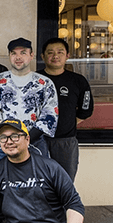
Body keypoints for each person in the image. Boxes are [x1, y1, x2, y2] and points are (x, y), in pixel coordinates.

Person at [0, 37, 58, 170]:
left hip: (34, 140)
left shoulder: (44, 83)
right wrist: (9, 137)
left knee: (37, 184)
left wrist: (25, 138)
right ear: (9, 56)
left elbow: (50, 116)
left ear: (31, 55)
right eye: (14, 53)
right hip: (2, 141)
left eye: (23, 53)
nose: (18, 57)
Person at [38, 38, 94, 182]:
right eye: (50, 52)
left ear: (67, 55)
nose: (55, 56)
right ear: (42, 56)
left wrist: (68, 123)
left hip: (66, 141)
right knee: (37, 181)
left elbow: (85, 110)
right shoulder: (34, 79)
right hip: (37, 139)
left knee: (65, 182)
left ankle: (63, 206)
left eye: (60, 52)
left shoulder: (78, 81)